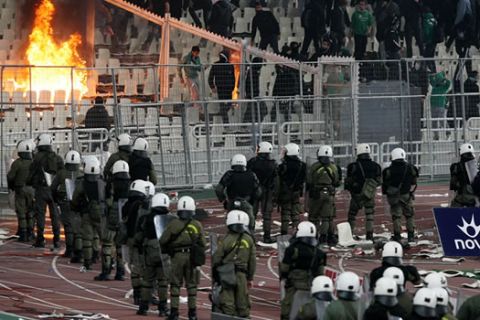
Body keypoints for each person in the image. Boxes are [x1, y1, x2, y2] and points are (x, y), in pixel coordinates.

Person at [160, 196, 206, 320]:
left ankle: (174, 312)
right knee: (191, 286)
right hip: (192, 257)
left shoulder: (173, 224)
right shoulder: (197, 224)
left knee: (175, 284)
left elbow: (163, 240)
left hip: (177, 257)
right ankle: (192, 313)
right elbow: (203, 243)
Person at [136, 193, 175, 316]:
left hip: (149, 251)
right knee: (163, 281)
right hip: (164, 251)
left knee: (147, 280)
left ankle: (143, 307)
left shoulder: (145, 218)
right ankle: (163, 308)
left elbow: (138, 236)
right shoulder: (171, 219)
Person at [212, 210, 256, 317]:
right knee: (243, 303)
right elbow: (252, 261)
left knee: (228, 302)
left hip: (227, 274)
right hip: (242, 275)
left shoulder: (225, 239)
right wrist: (250, 278)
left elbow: (217, 258)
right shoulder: (249, 239)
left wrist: (216, 275)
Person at [280, 221, 327, 320]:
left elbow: (284, 268)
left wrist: (284, 277)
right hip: (311, 288)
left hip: (294, 288)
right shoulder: (319, 253)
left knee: (288, 312)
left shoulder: (292, 250)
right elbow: (320, 274)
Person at [94, 160, 130, 281]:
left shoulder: (111, 183)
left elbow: (107, 200)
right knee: (120, 244)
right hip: (125, 216)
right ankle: (121, 272)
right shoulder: (130, 183)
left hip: (113, 215)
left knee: (108, 243)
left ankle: (106, 270)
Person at [27, 133, 62, 248]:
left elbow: (31, 173)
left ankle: (40, 239)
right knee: (55, 215)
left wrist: (30, 182)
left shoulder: (37, 157)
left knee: (40, 214)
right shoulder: (57, 157)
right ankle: (56, 239)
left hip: (41, 189)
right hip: (54, 190)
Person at [71, 158, 105, 271]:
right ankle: (108, 262)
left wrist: (75, 207)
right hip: (101, 214)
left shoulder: (82, 183)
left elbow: (75, 197)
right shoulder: (102, 183)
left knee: (87, 238)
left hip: (86, 213)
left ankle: (87, 262)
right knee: (105, 240)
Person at [215, 154, 262, 233]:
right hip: (247, 203)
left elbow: (218, 189)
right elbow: (258, 191)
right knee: (250, 226)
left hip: (232, 203)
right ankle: (250, 240)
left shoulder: (229, 174)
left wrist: (223, 200)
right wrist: (254, 200)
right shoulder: (252, 174)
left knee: (231, 224)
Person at [345, 143, 382, 240]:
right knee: (369, 215)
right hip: (369, 195)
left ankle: (349, 234)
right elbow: (379, 181)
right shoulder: (376, 166)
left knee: (352, 215)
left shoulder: (353, 166)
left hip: (356, 195)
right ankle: (369, 234)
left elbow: (348, 182)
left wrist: (353, 189)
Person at [122, 179, 150, 304]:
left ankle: (136, 293)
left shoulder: (126, 205)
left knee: (134, 267)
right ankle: (144, 294)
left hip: (129, 238)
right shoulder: (143, 205)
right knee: (144, 267)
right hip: (140, 239)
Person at [382, 147, 419, 243]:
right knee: (409, 215)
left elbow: (385, 185)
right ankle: (411, 236)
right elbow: (414, 181)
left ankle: (397, 236)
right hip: (406, 195)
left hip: (394, 196)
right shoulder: (411, 167)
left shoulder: (388, 170)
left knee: (396, 216)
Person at [307, 145, 341, 245]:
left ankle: (313, 235)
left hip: (316, 193)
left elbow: (309, 180)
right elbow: (336, 181)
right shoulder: (333, 167)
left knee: (314, 217)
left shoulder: (314, 166)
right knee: (326, 217)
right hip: (329, 194)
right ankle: (324, 237)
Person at [51, 150, 81, 257]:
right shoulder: (81, 173)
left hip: (64, 201)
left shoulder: (61, 173)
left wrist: (56, 199)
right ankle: (78, 250)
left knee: (68, 226)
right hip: (78, 203)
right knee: (78, 227)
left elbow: (53, 187)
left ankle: (69, 250)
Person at [247, 141, 277, 243]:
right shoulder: (273, 164)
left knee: (252, 214)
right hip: (267, 191)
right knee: (267, 215)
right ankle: (267, 237)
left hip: (254, 190)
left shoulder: (252, 162)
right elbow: (275, 179)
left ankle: (250, 236)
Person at [7, 140, 34, 242]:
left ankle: (23, 234)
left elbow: (11, 176)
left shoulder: (17, 163)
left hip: (20, 189)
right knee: (31, 212)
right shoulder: (34, 163)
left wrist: (12, 186)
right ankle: (31, 232)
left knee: (21, 212)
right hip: (32, 190)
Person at [277, 143, 306, 235]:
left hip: (285, 191)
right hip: (297, 191)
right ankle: (296, 229)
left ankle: (284, 232)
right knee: (295, 212)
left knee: (285, 212)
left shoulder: (283, 166)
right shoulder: (303, 165)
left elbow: (279, 179)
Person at [208, 50, 235, 124]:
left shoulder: (230, 65)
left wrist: (232, 88)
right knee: (223, 105)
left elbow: (233, 78)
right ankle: (226, 124)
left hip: (228, 89)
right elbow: (210, 78)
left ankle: (221, 113)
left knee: (226, 106)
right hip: (222, 89)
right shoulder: (216, 65)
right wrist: (212, 86)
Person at [449, 143, 476, 207]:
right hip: (476, 198)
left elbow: (453, 185)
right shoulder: (476, 167)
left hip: (463, 198)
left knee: (453, 207)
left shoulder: (456, 166)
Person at [429, 71, 451, 140]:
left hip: (441, 105)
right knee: (434, 122)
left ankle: (448, 133)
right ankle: (436, 135)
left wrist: (444, 78)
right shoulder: (434, 86)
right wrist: (433, 75)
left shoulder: (444, 87)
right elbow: (431, 80)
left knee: (442, 121)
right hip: (433, 105)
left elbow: (448, 83)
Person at [422, 6, 439, 73]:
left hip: (429, 41)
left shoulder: (426, 20)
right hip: (434, 41)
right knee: (431, 57)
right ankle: (434, 71)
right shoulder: (433, 19)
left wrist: (424, 40)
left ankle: (430, 71)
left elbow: (426, 31)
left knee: (426, 56)